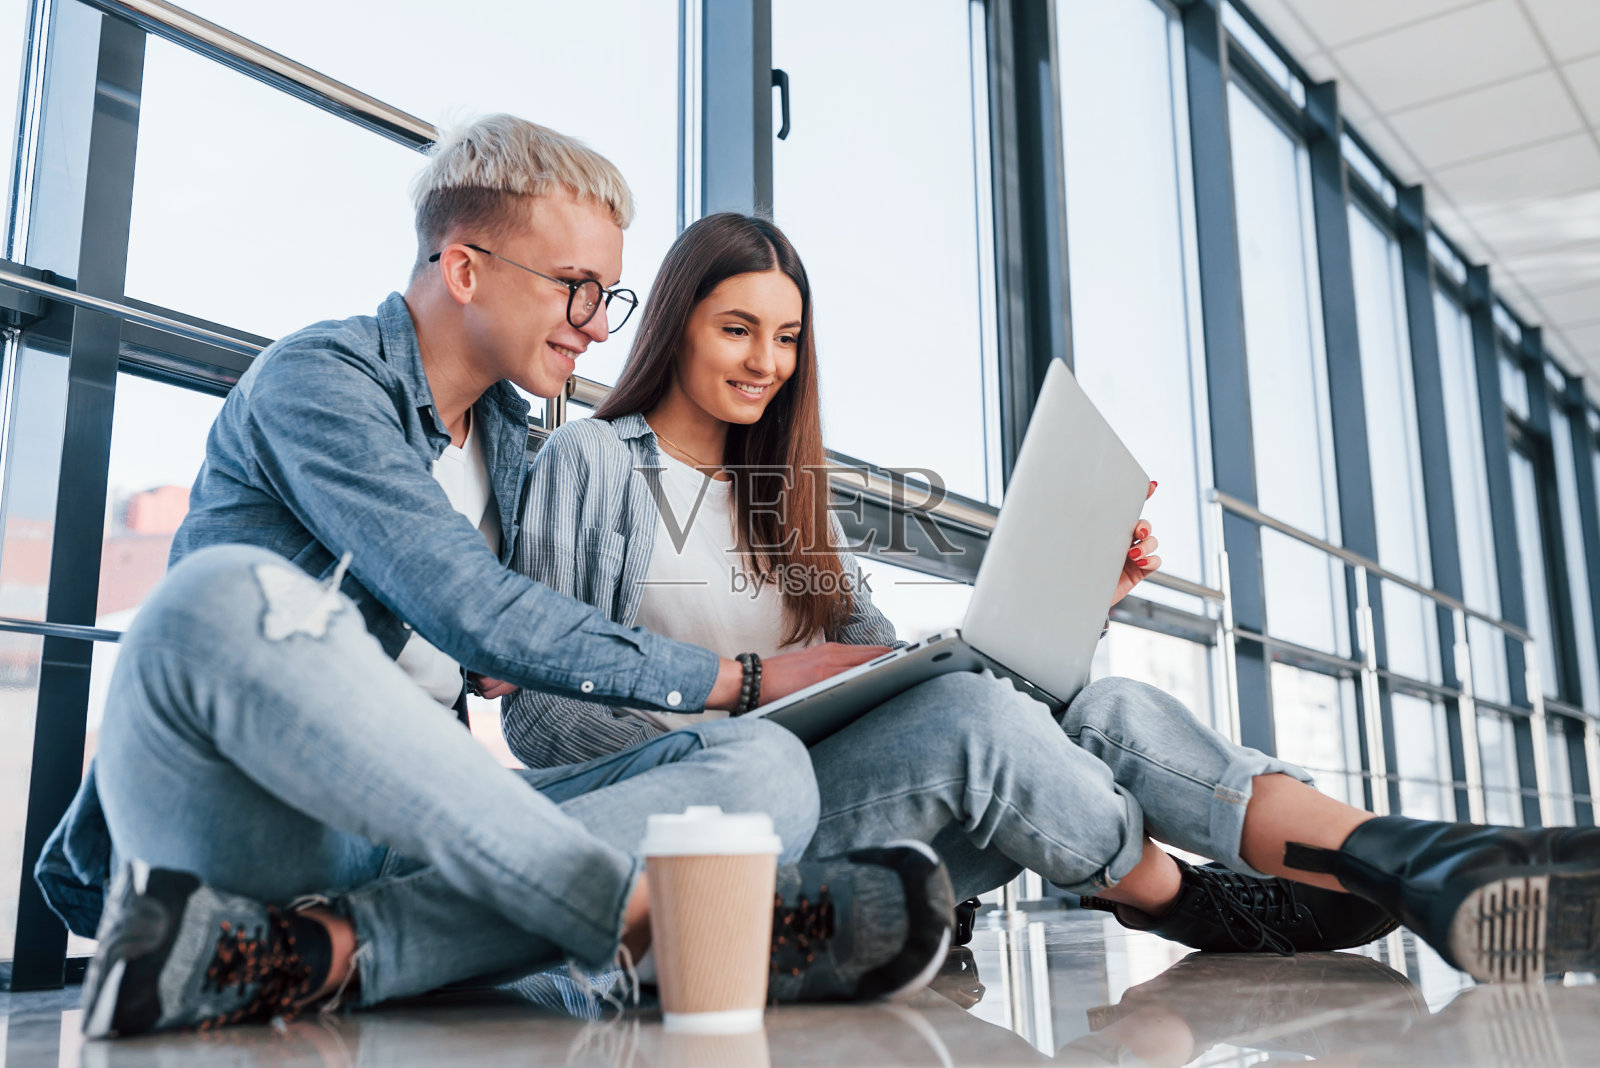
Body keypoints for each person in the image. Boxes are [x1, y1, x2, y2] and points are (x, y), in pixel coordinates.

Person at [502, 211, 1600, 984]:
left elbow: (888, 669)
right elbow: (540, 713)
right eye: (736, 328)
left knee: (1088, 707)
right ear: (678, 324)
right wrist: (738, 703)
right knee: (975, 720)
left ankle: (1418, 857)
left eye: (786, 337)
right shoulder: (593, 466)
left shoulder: (790, 499)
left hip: (864, 795)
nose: (765, 362)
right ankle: (1188, 899)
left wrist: (1073, 604)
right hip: (722, 824)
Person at [38, 118, 955, 1041]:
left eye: (609, 297)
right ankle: (640, 924)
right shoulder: (318, 380)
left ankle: (312, 954)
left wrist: (524, 646)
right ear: (466, 270)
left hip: (406, 837)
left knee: (765, 771)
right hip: (256, 813)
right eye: (575, 289)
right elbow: (473, 607)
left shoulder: (515, 446)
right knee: (220, 596)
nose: (597, 326)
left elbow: (513, 636)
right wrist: (738, 679)